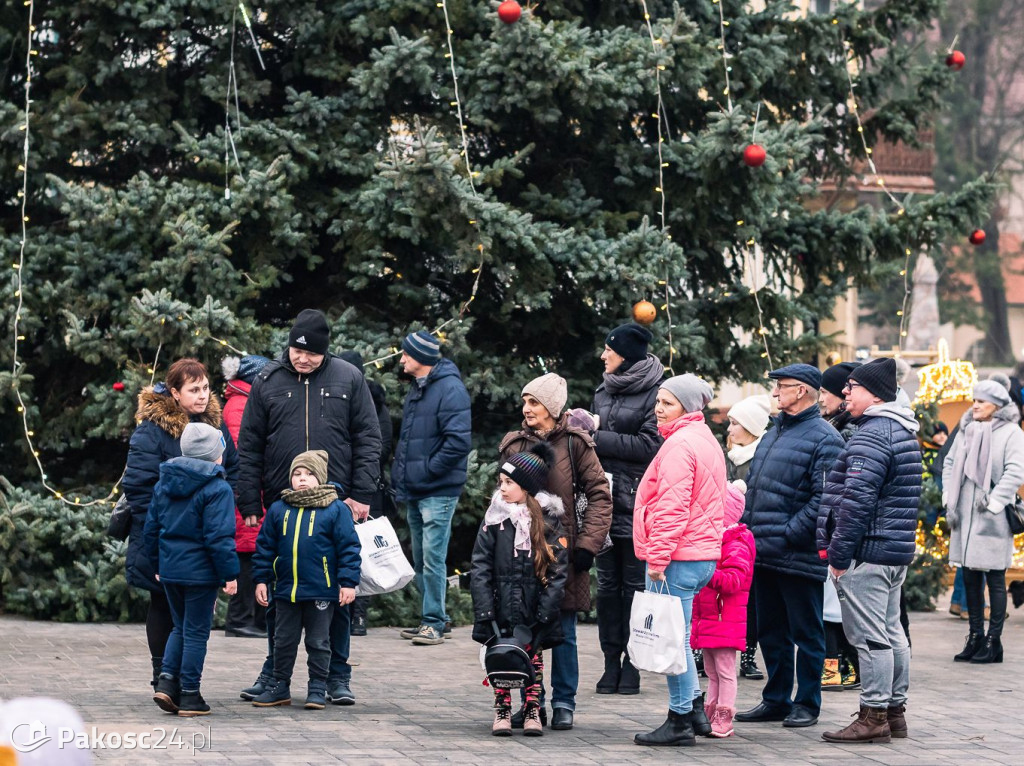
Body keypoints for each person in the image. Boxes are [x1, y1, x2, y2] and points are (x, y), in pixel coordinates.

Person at [236, 308, 381, 706]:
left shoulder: (348, 378)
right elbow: (248, 444)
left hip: (336, 503)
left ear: (324, 351)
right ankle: (274, 676)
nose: (302, 358)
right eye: (297, 351)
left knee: (333, 598)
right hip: (283, 504)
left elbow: (368, 437)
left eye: (311, 354)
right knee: (280, 597)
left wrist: (362, 493)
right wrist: (249, 499)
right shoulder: (267, 379)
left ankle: (337, 677)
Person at [499, 372, 612, 731]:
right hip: (521, 552)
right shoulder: (514, 443)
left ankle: (564, 702)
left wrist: (587, 546)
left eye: (534, 402)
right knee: (525, 631)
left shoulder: (577, 443)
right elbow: (500, 497)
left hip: (564, 552)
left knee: (563, 630)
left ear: (552, 406)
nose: (526, 408)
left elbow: (599, 495)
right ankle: (533, 704)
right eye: (525, 401)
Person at [817, 357, 921, 743]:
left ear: (875, 395)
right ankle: (894, 712)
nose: (845, 391)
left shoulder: (873, 435)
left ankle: (874, 714)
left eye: (853, 387)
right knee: (892, 633)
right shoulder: (900, 430)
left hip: (869, 552)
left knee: (871, 637)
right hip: (892, 551)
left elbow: (855, 500)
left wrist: (839, 555)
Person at [735, 364, 843, 730]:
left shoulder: (825, 438)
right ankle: (776, 699)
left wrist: (788, 532)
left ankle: (807, 703)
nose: (776, 392)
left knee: (806, 632)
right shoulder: (773, 432)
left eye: (782, 387)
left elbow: (826, 498)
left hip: (796, 552)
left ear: (802, 391)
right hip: (763, 552)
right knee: (771, 631)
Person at [123, 358, 239, 693]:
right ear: (175, 393)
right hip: (162, 534)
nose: (202, 395)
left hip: (203, 536)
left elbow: (233, 470)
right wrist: (159, 536)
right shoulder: (152, 430)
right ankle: (163, 676)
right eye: (193, 389)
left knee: (190, 612)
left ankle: (175, 678)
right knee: (162, 603)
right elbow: (140, 487)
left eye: (205, 387)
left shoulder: (215, 427)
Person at [632, 374, 726, 747]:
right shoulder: (704, 440)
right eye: (657, 402)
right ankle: (695, 711)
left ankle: (679, 720)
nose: (658, 409)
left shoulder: (679, 446)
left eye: (667, 403)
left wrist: (657, 557)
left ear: (687, 408)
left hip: (677, 557)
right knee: (682, 638)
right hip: (699, 555)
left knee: (672, 640)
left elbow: (672, 508)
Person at [470, 444, 569, 736]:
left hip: (533, 608)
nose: (502, 488)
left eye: (509, 482)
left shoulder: (549, 523)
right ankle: (501, 709)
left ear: (527, 487)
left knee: (533, 661)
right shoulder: (493, 521)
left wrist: (544, 612)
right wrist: (485, 608)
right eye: (501, 482)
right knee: (500, 655)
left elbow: (557, 571)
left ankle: (532, 710)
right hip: (499, 606)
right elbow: (480, 567)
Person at [251, 451, 362, 710]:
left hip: (321, 591)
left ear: (320, 478)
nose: (302, 479)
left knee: (318, 641)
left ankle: (317, 687)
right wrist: (262, 579)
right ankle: (280, 685)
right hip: (286, 591)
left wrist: (347, 583)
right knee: (284, 640)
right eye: (297, 474)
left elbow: (349, 548)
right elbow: (265, 547)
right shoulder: (279, 508)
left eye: (309, 474)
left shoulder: (335, 509)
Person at [588, 322, 663, 695]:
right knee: (607, 587)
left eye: (609, 350)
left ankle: (632, 664)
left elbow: (650, 445)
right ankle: (609, 661)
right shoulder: (603, 388)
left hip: (637, 503)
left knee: (634, 586)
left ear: (627, 355)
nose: (603, 356)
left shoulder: (655, 392)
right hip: (602, 499)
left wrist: (596, 435)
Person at [146, 423, 240, 717]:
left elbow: (152, 528)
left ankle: (166, 682)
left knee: (179, 627)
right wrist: (230, 573)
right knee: (197, 632)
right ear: (215, 456)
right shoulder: (217, 488)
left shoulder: (165, 482)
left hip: (171, 570)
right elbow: (218, 537)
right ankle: (190, 694)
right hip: (200, 573)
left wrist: (157, 565)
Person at [392, 331, 473, 646]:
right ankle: (434, 616)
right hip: (417, 487)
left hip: (437, 489)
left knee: (432, 557)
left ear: (421, 359)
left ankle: (433, 622)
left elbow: (457, 443)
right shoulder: (419, 388)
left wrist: (426, 472)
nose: (401, 360)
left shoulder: (450, 390)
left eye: (405, 355)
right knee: (421, 556)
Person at [943, 379, 1024, 664]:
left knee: (995, 577)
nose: (975, 405)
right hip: (964, 515)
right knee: (969, 575)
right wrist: (947, 499)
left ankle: (994, 641)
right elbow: (950, 463)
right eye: (974, 399)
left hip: (992, 516)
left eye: (982, 401)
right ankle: (975, 636)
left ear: (998, 406)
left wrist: (993, 502)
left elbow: (1016, 471)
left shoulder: (1012, 433)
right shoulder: (967, 430)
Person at [691, 482, 754, 739]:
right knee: (712, 671)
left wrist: (707, 574)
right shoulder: (716, 541)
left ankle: (725, 715)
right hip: (710, 618)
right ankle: (712, 710)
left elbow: (734, 581)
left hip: (724, 619)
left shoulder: (736, 543)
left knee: (726, 672)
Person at [339, 350, 394, 637]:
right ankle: (340, 612)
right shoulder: (333, 396)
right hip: (338, 486)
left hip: (367, 486)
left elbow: (381, 446)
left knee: (363, 551)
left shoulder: (374, 400)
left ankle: (359, 615)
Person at [221, 354, 271, 639]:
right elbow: (246, 454)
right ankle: (240, 619)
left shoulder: (245, 401)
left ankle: (254, 618)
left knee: (253, 553)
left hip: (252, 491)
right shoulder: (241, 405)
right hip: (247, 493)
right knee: (247, 555)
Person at [724, 394, 771, 682]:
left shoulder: (761, 457)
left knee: (750, 601)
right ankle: (704, 652)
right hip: (722, 534)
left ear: (751, 427)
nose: (729, 429)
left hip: (750, 537)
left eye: (734, 423)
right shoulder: (726, 456)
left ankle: (749, 655)